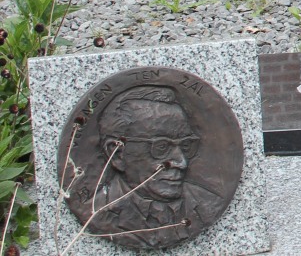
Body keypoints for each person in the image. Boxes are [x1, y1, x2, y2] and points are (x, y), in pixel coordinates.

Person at [88, 86, 227, 249]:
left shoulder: (208, 203)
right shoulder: (96, 212)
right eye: (161, 147)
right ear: (117, 154)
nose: (182, 162)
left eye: (186, 145)